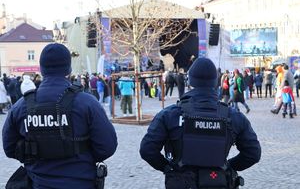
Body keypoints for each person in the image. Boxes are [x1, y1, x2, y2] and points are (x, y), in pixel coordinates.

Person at [2, 43, 117, 189]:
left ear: (41, 69)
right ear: (68, 69)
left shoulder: (20, 106)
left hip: (38, 182)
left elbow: (10, 148)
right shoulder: (87, 103)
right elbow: (107, 146)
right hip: (80, 182)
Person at [140, 58, 261, 189]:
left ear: (190, 81)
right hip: (218, 181)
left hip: (181, 182)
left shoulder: (169, 114)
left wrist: (168, 168)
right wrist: (227, 166)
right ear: (215, 83)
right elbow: (253, 153)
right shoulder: (234, 116)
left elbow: (147, 150)